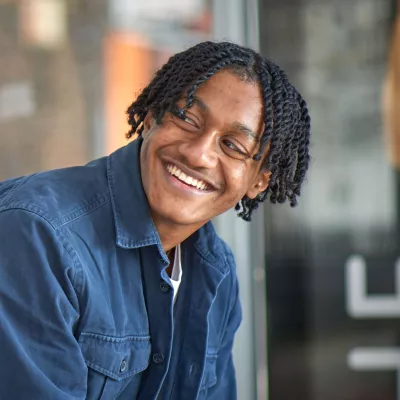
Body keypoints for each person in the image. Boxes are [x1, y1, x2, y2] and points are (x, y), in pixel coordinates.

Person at [0, 41, 310, 399]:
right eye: (188, 119)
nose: (198, 154)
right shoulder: (37, 235)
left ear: (258, 181)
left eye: (232, 146)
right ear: (151, 118)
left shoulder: (216, 272)